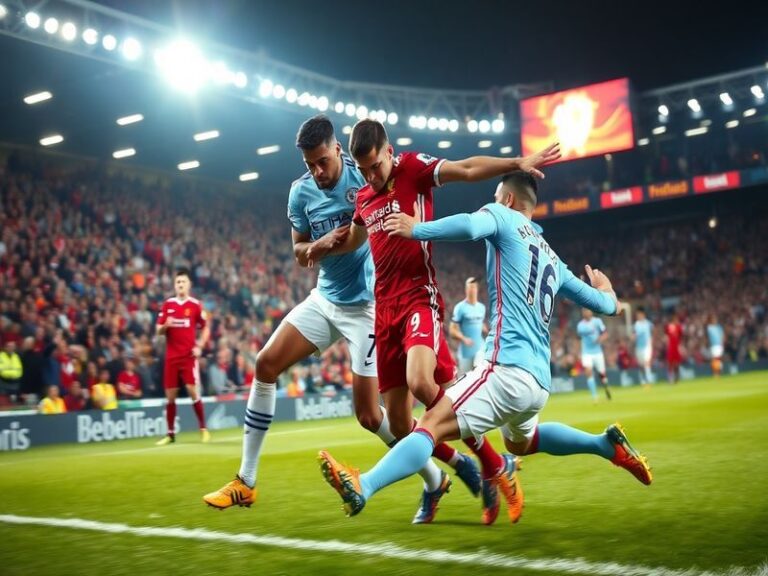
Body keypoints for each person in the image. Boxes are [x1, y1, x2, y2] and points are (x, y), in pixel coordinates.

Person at [318, 171, 652, 522]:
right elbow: (602, 305)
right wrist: (609, 292)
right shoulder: (552, 257)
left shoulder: (502, 215)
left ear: (507, 200)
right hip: (538, 382)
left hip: (505, 369)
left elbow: (468, 226)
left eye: (495, 196)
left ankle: (364, 485)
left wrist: (417, 229)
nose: (491, 203)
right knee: (520, 442)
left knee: (430, 424)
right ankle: (604, 445)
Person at [203, 115, 479, 524]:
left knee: (372, 417)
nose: (316, 171)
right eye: (308, 164)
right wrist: (317, 245)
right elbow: (300, 252)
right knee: (265, 364)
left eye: (322, 161)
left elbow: (391, 202)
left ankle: (439, 473)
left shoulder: (365, 179)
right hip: (325, 299)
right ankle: (246, 480)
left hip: (368, 308)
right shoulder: (300, 194)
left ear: (336, 150)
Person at [308, 120, 561, 524]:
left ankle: (491, 466)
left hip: (417, 297)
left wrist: (516, 161)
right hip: (383, 309)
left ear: (389, 151)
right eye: (365, 170)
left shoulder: (413, 168)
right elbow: (357, 238)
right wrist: (322, 245)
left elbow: (465, 169)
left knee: (422, 384)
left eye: (376, 166)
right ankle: (491, 466)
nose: (372, 176)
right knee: (401, 423)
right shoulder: (363, 196)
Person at [155, 267, 211, 445]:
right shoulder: (168, 305)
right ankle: (170, 434)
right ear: (174, 285)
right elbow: (158, 330)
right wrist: (165, 326)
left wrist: (200, 346)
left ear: (189, 285)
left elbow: (206, 327)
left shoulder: (195, 305)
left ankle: (203, 428)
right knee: (170, 395)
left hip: (188, 356)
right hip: (171, 357)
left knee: (193, 391)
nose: (180, 284)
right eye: (177, 282)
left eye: (183, 282)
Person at [450, 277, 487, 374]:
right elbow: (452, 330)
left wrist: (483, 328)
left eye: (473, 287)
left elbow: (478, 322)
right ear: (466, 289)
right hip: (466, 352)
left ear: (477, 289)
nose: (471, 290)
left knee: (480, 374)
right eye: (469, 287)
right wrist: (463, 338)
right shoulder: (460, 308)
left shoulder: (481, 308)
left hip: (480, 348)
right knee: (464, 381)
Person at [576, 308, 611, 402]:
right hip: (586, 352)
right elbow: (579, 339)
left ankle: (606, 387)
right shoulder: (580, 325)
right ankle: (594, 396)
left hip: (597, 352)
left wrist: (600, 339)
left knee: (602, 373)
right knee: (588, 371)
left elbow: (605, 334)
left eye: (587, 310)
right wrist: (578, 351)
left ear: (591, 312)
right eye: (583, 311)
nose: (585, 312)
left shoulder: (597, 322)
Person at [632, 307, 654, 386]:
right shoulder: (636, 324)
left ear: (643, 314)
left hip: (647, 346)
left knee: (646, 362)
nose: (638, 316)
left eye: (639, 314)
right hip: (639, 347)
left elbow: (653, 331)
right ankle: (642, 380)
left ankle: (649, 380)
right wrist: (632, 337)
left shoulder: (648, 323)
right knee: (641, 365)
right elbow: (634, 334)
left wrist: (651, 340)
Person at [665, 312, 683, 383]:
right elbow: (666, 336)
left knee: (677, 363)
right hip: (670, 347)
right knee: (670, 363)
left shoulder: (678, 327)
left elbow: (681, 336)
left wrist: (680, 346)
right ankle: (670, 377)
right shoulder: (668, 326)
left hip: (676, 346)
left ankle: (677, 376)